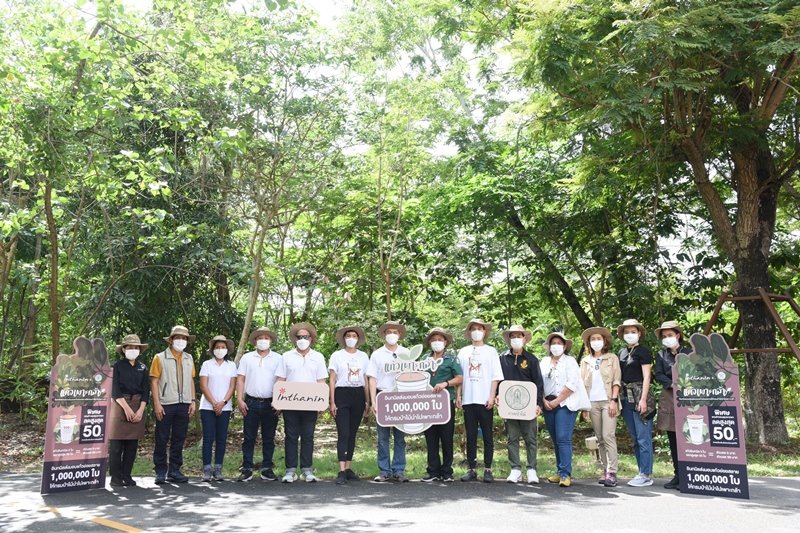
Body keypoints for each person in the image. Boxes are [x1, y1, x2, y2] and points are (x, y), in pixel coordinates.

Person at [277, 322, 327, 483]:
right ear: (295, 339)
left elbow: (321, 381)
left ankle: (307, 469)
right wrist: (277, 401)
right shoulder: (286, 356)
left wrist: (322, 402)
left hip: (311, 404)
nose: (302, 339)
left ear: (311, 338)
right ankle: (290, 470)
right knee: (290, 436)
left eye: (305, 336)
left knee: (308, 436)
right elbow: (280, 380)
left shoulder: (318, 357)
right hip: (289, 403)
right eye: (299, 337)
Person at [456, 318, 504, 483]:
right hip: (468, 400)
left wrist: (492, 396)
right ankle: (471, 469)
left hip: (485, 400)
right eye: (473, 328)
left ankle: (488, 469)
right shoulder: (463, 352)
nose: (476, 331)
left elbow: (495, 376)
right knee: (470, 435)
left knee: (487, 435)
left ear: (484, 332)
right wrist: (458, 396)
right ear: (469, 332)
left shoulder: (491, 351)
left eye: (479, 328)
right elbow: (459, 376)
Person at [150, 325, 196, 484]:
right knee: (161, 438)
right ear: (171, 340)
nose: (181, 340)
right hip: (166, 403)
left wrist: (193, 400)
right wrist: (157, 404)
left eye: (184, 338)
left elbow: (190, 380)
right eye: (178, 337)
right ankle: (160, 471)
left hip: (184, 404)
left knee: (179, 438)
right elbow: (154, 382)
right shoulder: (160, 357)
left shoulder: (189, 358)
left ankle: (175, 470)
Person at [498, 325, 544, 484]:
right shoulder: (502, 358)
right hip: (508, 405)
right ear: (509, 339)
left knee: (530, 437)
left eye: (519, 336)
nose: (516, 339)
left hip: (528, 405)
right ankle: (515, 469)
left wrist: (538, 404)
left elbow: (538, 383)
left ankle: (531, 469)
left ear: (524, 339)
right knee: (512, 437)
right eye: (513, 336)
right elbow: (498, 380)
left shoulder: (531, 359)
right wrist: (498, 396)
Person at [366, 320, 411, 482]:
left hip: (401, 397)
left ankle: (399, 470)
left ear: (399, 335)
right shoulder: (377, 354)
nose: (392, 335)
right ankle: (384, 470)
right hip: (382, 396)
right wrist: (373, 401)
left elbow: (411, 377)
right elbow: (372, 378)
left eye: (395, 332)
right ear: (384, 335)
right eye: (389, 332)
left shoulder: (407, 353)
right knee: (383, 437)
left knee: (400, 437)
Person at [236, 327, 282, 482]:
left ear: (270, 340)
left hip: (271, 404)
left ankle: (267, 468)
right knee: (249, 437)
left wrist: (280, 401)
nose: (263, 340)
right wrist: (239, 399)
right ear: (255, 340)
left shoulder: (278, 358)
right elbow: (241, 379)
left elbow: (281, 380)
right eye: (260, 337)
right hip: (250, 402)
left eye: (266, 338)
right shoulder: (247, 358)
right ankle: (247, 468)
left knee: (268, 438)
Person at [579, 326, 622, 487]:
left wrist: (613, 400)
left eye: (599, 339)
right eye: (593, 339)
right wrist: (584, 407)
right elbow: (582, 384)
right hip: (592, 403)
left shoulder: (612, 358)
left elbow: (616, 380)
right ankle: (605, 470)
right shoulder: (585, 361)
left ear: (604, 341)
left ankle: (612, 471)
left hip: (608, 401)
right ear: (588, 343)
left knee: (608, 435)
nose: (596, 341)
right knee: (600, 438)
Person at [328, 326, 370, 485]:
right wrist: (332, 401)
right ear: (344, 338)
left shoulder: (364, 356)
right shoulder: (337, 355)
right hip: (342, 394)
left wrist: (367, 401)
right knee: (343, 432)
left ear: (358, 339)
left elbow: (365, 379)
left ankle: (349, 468)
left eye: (354, 336)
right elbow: (332, 378)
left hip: (358, 394)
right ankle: (341, 469)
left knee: (352, 433)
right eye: (348, 336)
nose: (351, 338)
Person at [420, 327, 463, 483]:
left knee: (446, 437)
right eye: (433, 340)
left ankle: (447, 471)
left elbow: (460, 378)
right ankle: (433, 471)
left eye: (440, 339)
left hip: (445, 402)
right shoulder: (424, 358)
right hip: (427, 403)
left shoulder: (451, 359)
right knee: (430, 437)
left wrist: (446, 383)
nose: (436, 342)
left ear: (445, 342)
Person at [617, 318, 655, 487]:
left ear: (639, 333)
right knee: (634, 437)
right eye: (627, 332)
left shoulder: (644, 352)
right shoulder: (622, 352)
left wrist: (644, 399)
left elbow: (647, 376)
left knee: (643, 436)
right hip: (626, 397)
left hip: (640, 394)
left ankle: (646, 474)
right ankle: (641, 470)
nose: (630, 335)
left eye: (633, 332)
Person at [108, 334, 150, 487]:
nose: (133, 350)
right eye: (130, 347)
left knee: (132, 445)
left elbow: (146, 391)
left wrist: (140, 410)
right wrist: (126, 408)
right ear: (124, 349)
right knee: (116, 445)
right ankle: (115, 477)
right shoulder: (117, 366)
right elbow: (115, 390)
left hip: (138, 404)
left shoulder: (143, 367)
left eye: (136, 347)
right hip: (120, 405)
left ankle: (127, 475)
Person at [654, 320, 691, 490]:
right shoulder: (661, 355)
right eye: (664, 336)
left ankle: (688, 473)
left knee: (688, 437)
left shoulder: (690, 353)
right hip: (669, 397)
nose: (667, 338)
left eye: (670, 335)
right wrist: (672, 384)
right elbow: (659, 374)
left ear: (677, 335)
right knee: (673, 437)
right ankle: (677, 474)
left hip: (690, 399)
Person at [540, 332, 580, 487]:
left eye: (559, 343)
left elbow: (572, 384)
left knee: (563, 437)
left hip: (565, 403)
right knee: (555, 438)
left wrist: (557, 401)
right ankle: (559, 470)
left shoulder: (570, 362)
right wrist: (543, 400)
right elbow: (538, 382)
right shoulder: (543, 362)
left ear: (564, 346)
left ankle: (565, 473)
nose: (556, 345)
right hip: (547, 403)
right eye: (553, 343)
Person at [198, 335, 237, 482]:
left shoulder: (231, 365)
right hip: (208, 407)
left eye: (223, 347)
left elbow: (232, 386)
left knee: (221, 439)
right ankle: (207, 469)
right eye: (217, 347)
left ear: (227, 350)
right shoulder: (207, 364)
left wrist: (223, 402)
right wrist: (214, 403)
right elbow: (203, 385)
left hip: (225, 407)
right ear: (212, 349)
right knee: (208, 438)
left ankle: (218, 469)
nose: (220, 350)